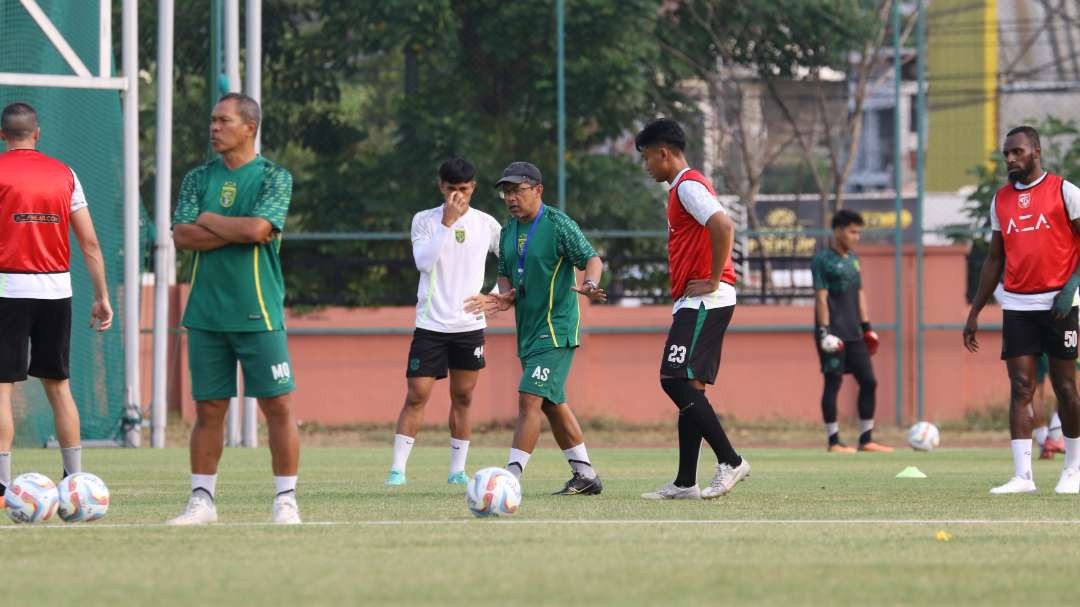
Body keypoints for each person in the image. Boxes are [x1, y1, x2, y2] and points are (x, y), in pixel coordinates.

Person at [167, 93, 301, 524]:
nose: (214, 127)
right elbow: (183, 238)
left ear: (250, 127)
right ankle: (202, 500)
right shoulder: (195, 179)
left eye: (223, 121)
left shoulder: (274, 178)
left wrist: (209, 220)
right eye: (211, 120)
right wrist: (237, 230)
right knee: (209, 409)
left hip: (257, 312)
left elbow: (260, 228)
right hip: (205, 313)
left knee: (276, 406)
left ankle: (285, 499)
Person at [465, 161, 606, 496]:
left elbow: (591, 258)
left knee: (529, 399)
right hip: (528, 330)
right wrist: (503, 295)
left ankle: (509, 478)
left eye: (518, 190)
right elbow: (504, 270)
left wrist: (590, 283)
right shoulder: (508, 231)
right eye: (506, 191)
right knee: (551, 401)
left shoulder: (557, 224)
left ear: (538, 190)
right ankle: (585, 474)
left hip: (556, 329)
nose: (511, 198)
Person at [0, 102, 113, 500]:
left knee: (2, 388)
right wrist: (101, 295)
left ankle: (0, 485)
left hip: (7, 290)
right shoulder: (65, 174)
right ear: (38, 133)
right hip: (56, 291)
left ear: (2, 135)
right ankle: (75, 482)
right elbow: (91, 243)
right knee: (59, 385)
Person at [633, 117, 750, 501]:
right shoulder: (680, 190)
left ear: (664, 153)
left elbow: (723, 226)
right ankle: (686, 482)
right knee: (691, 387)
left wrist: (714, 278)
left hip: (706, 298)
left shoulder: (688, 186)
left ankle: (730, 461)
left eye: (648, 158)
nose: (647, 166)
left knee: (673, 379)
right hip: (695, 298)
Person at [964, 125, 1080, 494]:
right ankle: (1022, 477)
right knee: (1021, 386)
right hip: (1017, 303)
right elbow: (994, 259)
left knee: (1064, 386)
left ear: (1036, 151)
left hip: (1060, 303)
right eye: (1006, 154)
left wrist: (1071, 289)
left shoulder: (1065, 191)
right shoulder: (1000, 200)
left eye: (1017, 152)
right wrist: (975, 311)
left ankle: (1073, 470)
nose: (1011, 159)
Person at [385, 158, 502, 486]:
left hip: (469, 326)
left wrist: (492, 296)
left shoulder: (487, 224)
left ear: (473, 188)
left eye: (463, 190)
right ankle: (397, 471)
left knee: (463, 397)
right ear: (441, 187)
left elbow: (509, 262)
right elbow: (424, 262)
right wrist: (447, 223)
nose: (457, 196)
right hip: (431, 324)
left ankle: (457, 471)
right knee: (417, 394)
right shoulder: (425, 220)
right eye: (451, 189)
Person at [811, 210, 892, 453]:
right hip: (832, 333)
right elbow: (821, 298)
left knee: (869, 381)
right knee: (833, 382)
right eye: (852, 231)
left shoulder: (853, 259)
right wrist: (824, 332)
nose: (856, 236)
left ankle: (866, 438)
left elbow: (859, 294)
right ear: (837, 230)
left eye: (859, 232)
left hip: (855, 332)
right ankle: (834, 441)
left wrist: (868, 327)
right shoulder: (822, 260)